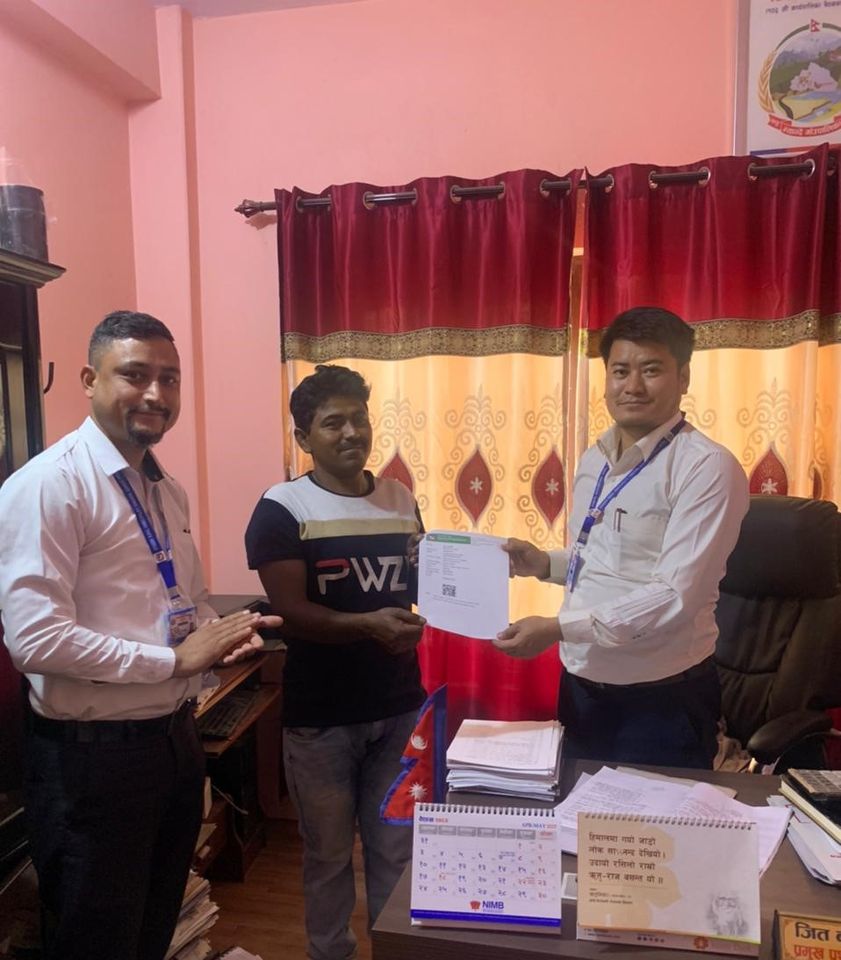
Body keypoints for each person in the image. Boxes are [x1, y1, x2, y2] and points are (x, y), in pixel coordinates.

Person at [0, 311, 280, 960]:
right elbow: (36, 640)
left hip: (172, 743)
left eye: (169, 378)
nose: (156, 393)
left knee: (152, 931)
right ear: (88, 379)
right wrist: (173, 660)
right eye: (135, 375)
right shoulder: (49, 486)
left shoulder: (164, 489)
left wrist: (216, 639)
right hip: (92, 763)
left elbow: (185, 602)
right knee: (97, 941)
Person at [494, 306, 749, 769]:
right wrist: (544, 564)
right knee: (580, 810)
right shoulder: (595, 458)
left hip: (662, 702)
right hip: (581, 687)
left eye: (651, 370)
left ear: (684, 378)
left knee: (658, 817)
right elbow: (604, 558)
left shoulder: (707, 467)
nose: (633, 386)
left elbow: (674, 595)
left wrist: (558, 628)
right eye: (620, 371)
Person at [245, 364, 426, 960]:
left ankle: (394, 952)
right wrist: (368, 625)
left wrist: (440, 572)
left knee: (395, 849)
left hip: (398, 708)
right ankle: (330, 952)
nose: (352, 432)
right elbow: (291, 613)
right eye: (333, 423)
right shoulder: (282, 507)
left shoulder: (399, 498)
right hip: (321, 718)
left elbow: (412, 590)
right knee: (326, 855)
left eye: (359, 418)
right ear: (304, 437)